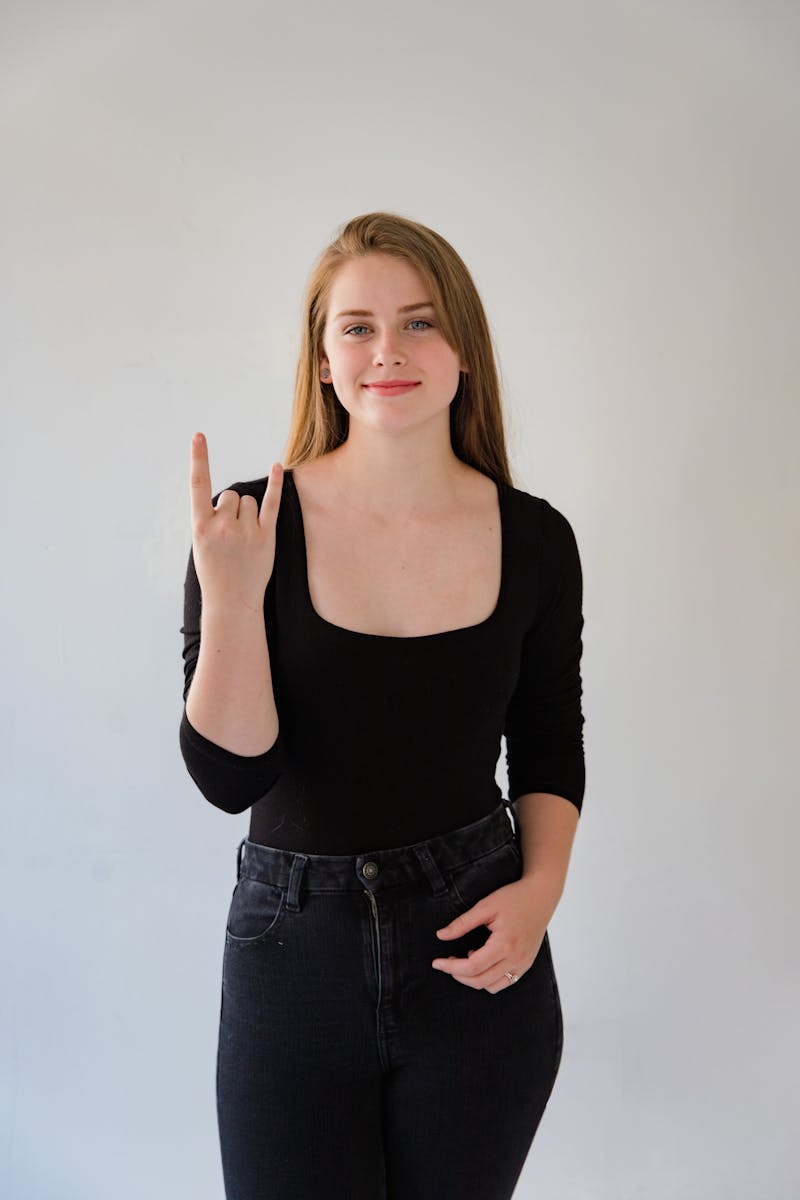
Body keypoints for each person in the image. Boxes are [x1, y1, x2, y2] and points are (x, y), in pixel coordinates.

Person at [179, 211, 585, 1200]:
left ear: (461, 351)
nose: (387, 351)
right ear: (322, 359)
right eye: (356, 327)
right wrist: (232, 597)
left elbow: (546, 748)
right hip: (292, 955)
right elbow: (228, 779)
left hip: (474, 948)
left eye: (418, 322)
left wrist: (538, 894)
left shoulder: (533, 538)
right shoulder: (246, 522)